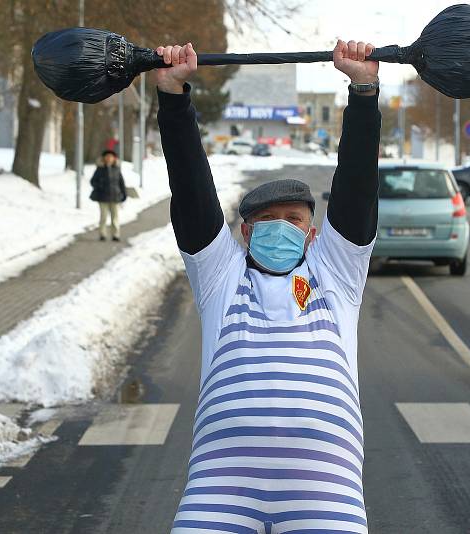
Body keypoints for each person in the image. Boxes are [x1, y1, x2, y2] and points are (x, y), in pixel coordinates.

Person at [155, 38, 380, 534]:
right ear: (244, 232)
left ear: (313, 233)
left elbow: (356, 189)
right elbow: (191, 191)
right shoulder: (221, 277)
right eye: (266, 220)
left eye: (292, 219)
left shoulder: (336, 275)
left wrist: (364, 92)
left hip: (326, 489)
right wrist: (173, 98)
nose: (280, 227)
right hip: (219, 487)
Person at [89, 149, 127, 241]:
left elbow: (121, 183)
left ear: (114, 159)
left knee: (115, 218)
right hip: (103, 197)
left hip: (115, 197)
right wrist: (99, 186)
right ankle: (102, 234)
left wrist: (124, 194)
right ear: (104, 158)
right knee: (103, 217)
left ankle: (116, 235)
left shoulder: (117, 169)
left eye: (111, 157)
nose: (109, 158)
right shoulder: (100, 169)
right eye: (107, 157)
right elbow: (93, 181)